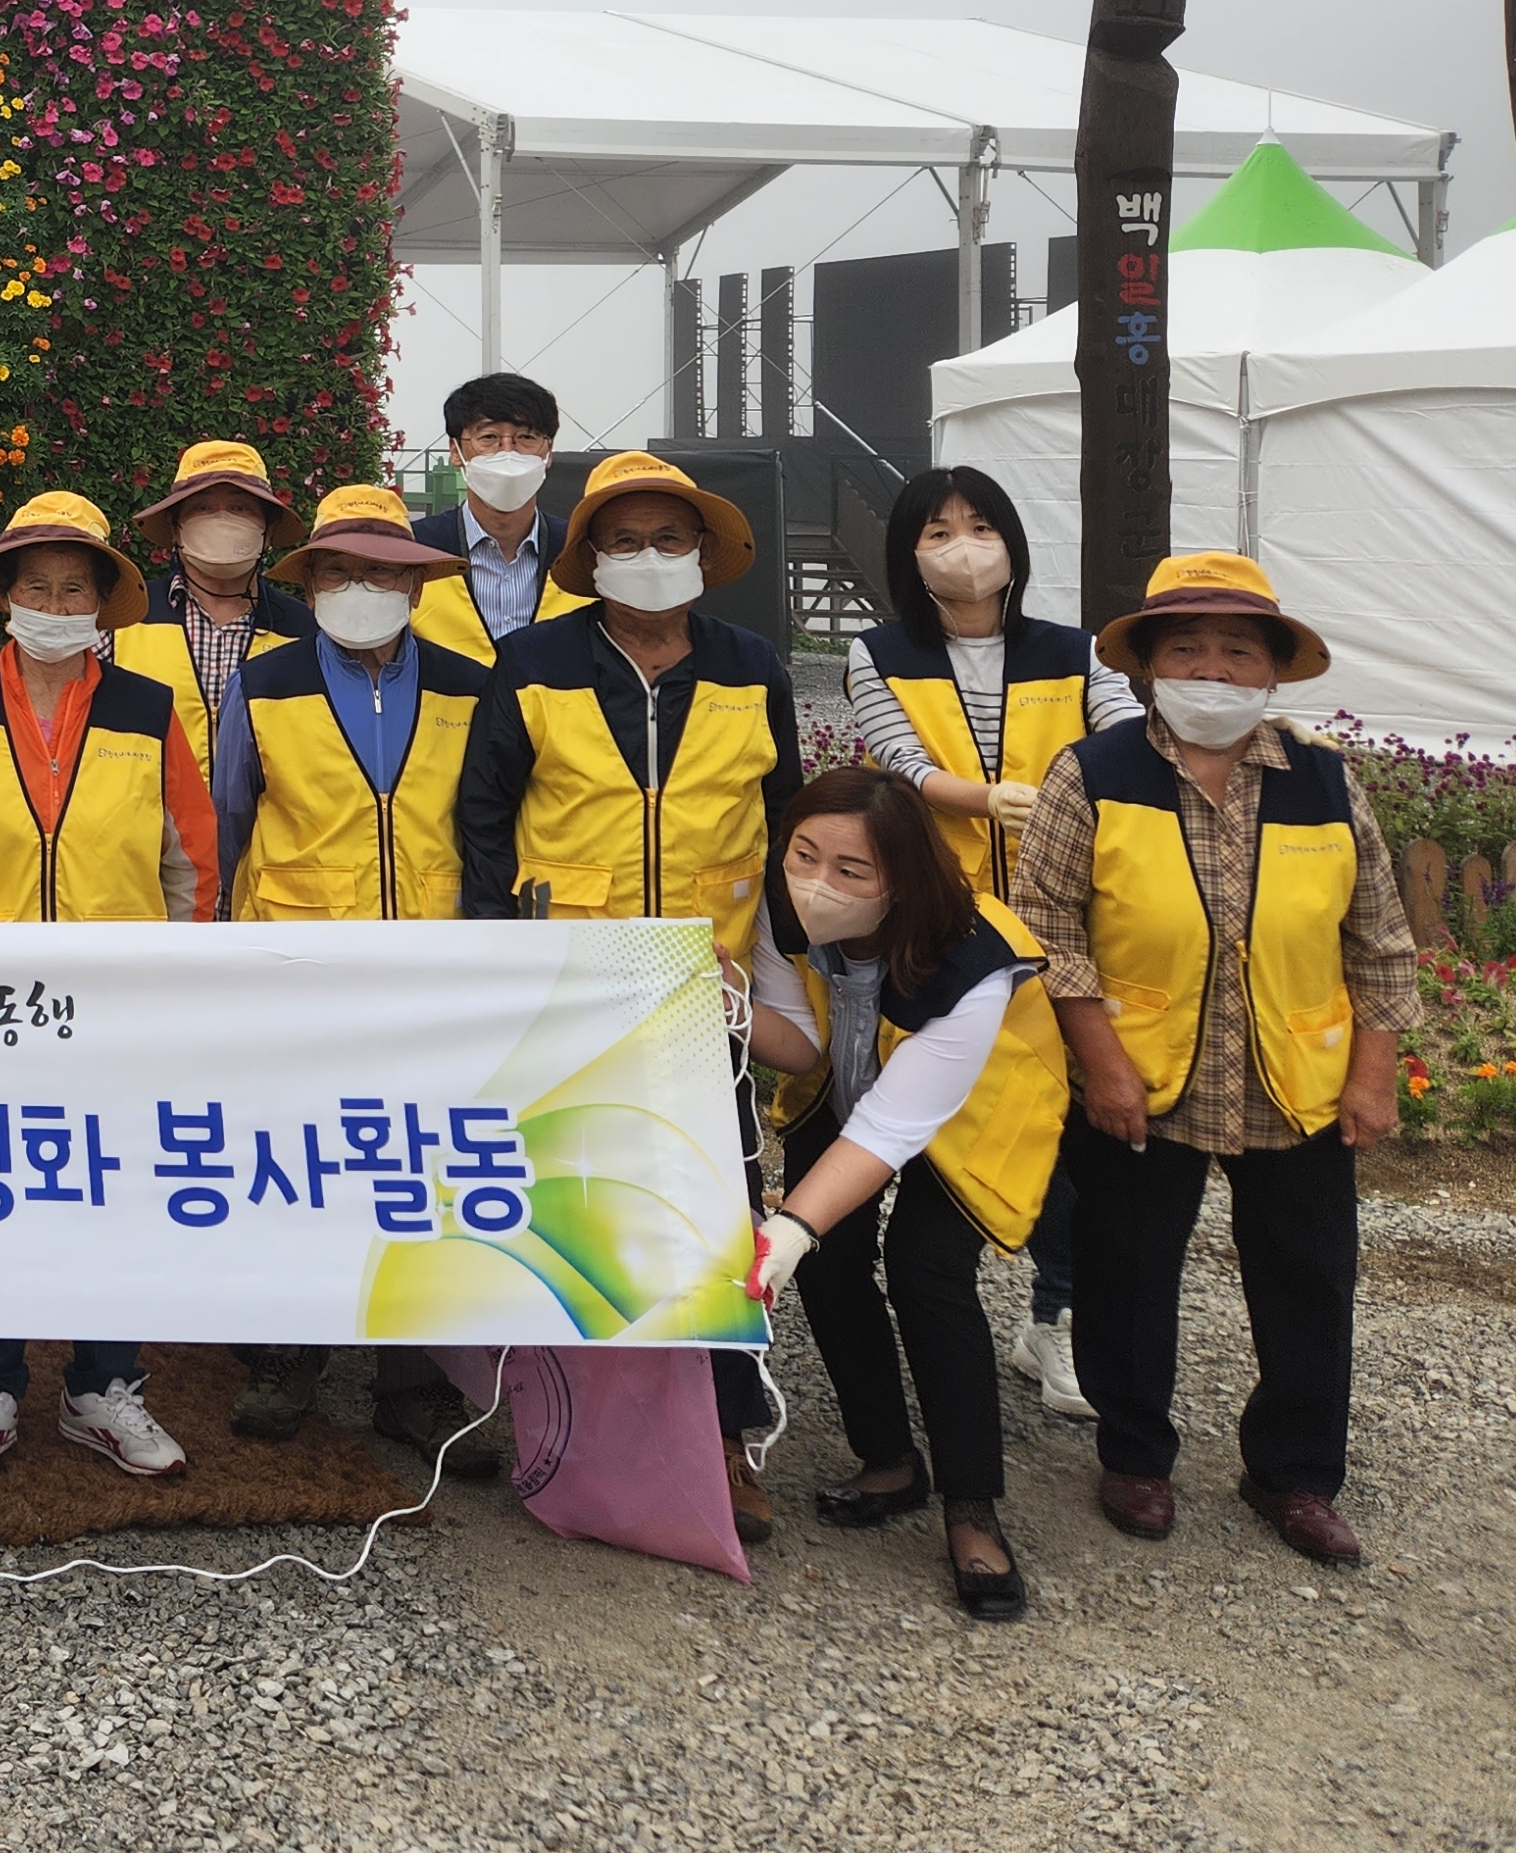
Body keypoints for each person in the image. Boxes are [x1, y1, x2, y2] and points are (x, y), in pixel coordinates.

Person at [1015, 552, 1415, 1568]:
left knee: (1309, 1278)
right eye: (1186, 648)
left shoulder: (1323, 781)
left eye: (1237, 651)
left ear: (1272, 670)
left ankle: (1293, 1473)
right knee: (1125, 1269)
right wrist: (1101, 1063)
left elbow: (1378, 940)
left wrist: (1373, 1075)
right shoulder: (1093, 774)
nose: (1212, 670)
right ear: (1149, 665)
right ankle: (1134, 1454)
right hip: (1142, 1076)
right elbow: (1048, 928)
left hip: (1294, 1079)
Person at [456, 448, 798, 1540]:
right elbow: (483, 819)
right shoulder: (533, 662)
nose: (648, 558)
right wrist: (500, 962)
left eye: (669, 539)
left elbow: (784, 820)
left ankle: (726, 1436)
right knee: (566, 1203)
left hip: (705, 984)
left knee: (718, 1209)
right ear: (590, 559)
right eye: (624, 541)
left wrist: (785, 977)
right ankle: (557, 1422)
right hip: (570, 983)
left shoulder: (752, 666)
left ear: (703, 553)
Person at [0, 491, 206, 1482]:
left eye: (74, 589)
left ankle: (103, 1384)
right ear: (6, 599)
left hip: (116, 1006)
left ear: (102, 605)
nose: (56, 606)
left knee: (112, 1193)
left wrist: (177, 981)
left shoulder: (148, 708)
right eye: (37, 587)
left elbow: (189, 862)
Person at [213, 484, 505, 1474]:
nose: (360, 588)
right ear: (311, 586)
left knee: (416, 1174)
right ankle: (286, 1358)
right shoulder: (264, 683)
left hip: (430, 971)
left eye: (382, 572)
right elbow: (229, 819)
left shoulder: (472, 686)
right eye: (338, 571)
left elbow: (486, 825)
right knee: (298, 1166)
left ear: (417, 587)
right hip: (296, 969)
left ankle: (413, 1384)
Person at [846, 465, 1139, 1424]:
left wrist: (1066, 802)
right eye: (938, 532)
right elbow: (901, 762)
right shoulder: (879, 652)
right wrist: (986, 800)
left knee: (1070, 1129)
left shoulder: (1076, 651)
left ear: (1012, 542)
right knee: (951, 1119)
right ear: (910, 555)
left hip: (1065, 924)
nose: (963, 548)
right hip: (949, 929)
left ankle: (1054, 1320)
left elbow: (1126, 739)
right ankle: (934, 1307)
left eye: (980, 526)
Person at [745, 764, 1069, 1622]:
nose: (817, 884)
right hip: (842, 1086)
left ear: (902, 877)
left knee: (928, 1271)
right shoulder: (778, 911)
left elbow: (894, 1128)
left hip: (969, 1115)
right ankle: (889, 1458)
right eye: (803, 855)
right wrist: (729, 996)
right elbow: (801, 1047)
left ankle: (973, 1509)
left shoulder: (971, 953)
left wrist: (787, 1226)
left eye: (850, 870)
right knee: (829, 1265)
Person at [113, 440, 309, 779]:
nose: (222, 520)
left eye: (240, 508)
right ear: (175, 529)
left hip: (270, 816)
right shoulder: (122, 621)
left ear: (269, 531)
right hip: (150, 813)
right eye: (201, 508)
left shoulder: (305, 631)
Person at [408, 372, 587, 664]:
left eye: (526, 437)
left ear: (549, 451)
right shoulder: (415, 551)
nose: (507, 452)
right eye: (489, 437)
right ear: (455, 451)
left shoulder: (579, 550)